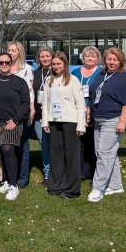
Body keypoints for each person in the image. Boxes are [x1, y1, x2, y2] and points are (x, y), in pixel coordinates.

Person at [87, 47, 126, 203]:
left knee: (104, 154)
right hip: (98, 119)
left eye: (115, 60)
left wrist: (122, 121)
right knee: (105, 153)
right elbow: (94, 94)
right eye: (109, 59)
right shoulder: (102, 74)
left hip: (113, 119)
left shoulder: (124, 78)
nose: (111, 62)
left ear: (121, 61)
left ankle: (98, 188)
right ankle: (115, 185)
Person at [0, 52, 30, 201]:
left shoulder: (19, 82)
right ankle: (6, 181)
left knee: (8, 149)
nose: (4, 65)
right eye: (1, 62)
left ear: (11, 64)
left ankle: (13, 185)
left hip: (12, 123)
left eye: (7, 62)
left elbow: (25, 104)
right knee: (1, 151)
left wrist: (16, 120)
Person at [42, 51, 86, 199]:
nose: (56, 66)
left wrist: (81, 125)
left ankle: (73, 189)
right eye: (54, 64)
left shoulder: (73, 80)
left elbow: (80, 104)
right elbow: (45, 102)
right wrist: (45, 121)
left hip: (71, 122)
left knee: (71, 156)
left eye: (58, 64)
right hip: (54, 122)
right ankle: (56, 185)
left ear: (65, 64)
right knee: (56, 155)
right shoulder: (49, 80)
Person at [7, 41, 35, 188]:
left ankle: (23, 178)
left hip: (22, 110)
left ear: (19, 52)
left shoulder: (27, 69)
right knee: (9, 146)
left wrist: (32, 109)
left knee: (23, 146)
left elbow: (30, 91)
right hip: (7, 111)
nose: (11, 52)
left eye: (14, 50)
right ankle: (10, 176)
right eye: (9, 50)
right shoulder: (4, 67)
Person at [72, 46, 101, 180]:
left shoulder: (101, 72)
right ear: (83, 58)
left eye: (93, 56)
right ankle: (83, 171)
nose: (89, 58)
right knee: (80, 143)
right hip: (77, 111)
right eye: (87, 56)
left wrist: (90, 108)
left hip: (93, 111)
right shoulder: (75, 72)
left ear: (97, 59)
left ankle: (94, 172)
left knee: (93, 143)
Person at [31, 46, 54, 184]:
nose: (45, 59)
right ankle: (48, 174)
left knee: (56, 145)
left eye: (48, 56)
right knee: (45, 145)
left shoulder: (57, 71)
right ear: (38, 59)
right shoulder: (34, 74)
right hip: (39, 116)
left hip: (55, 116)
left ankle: (59, 172)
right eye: (42, 56)